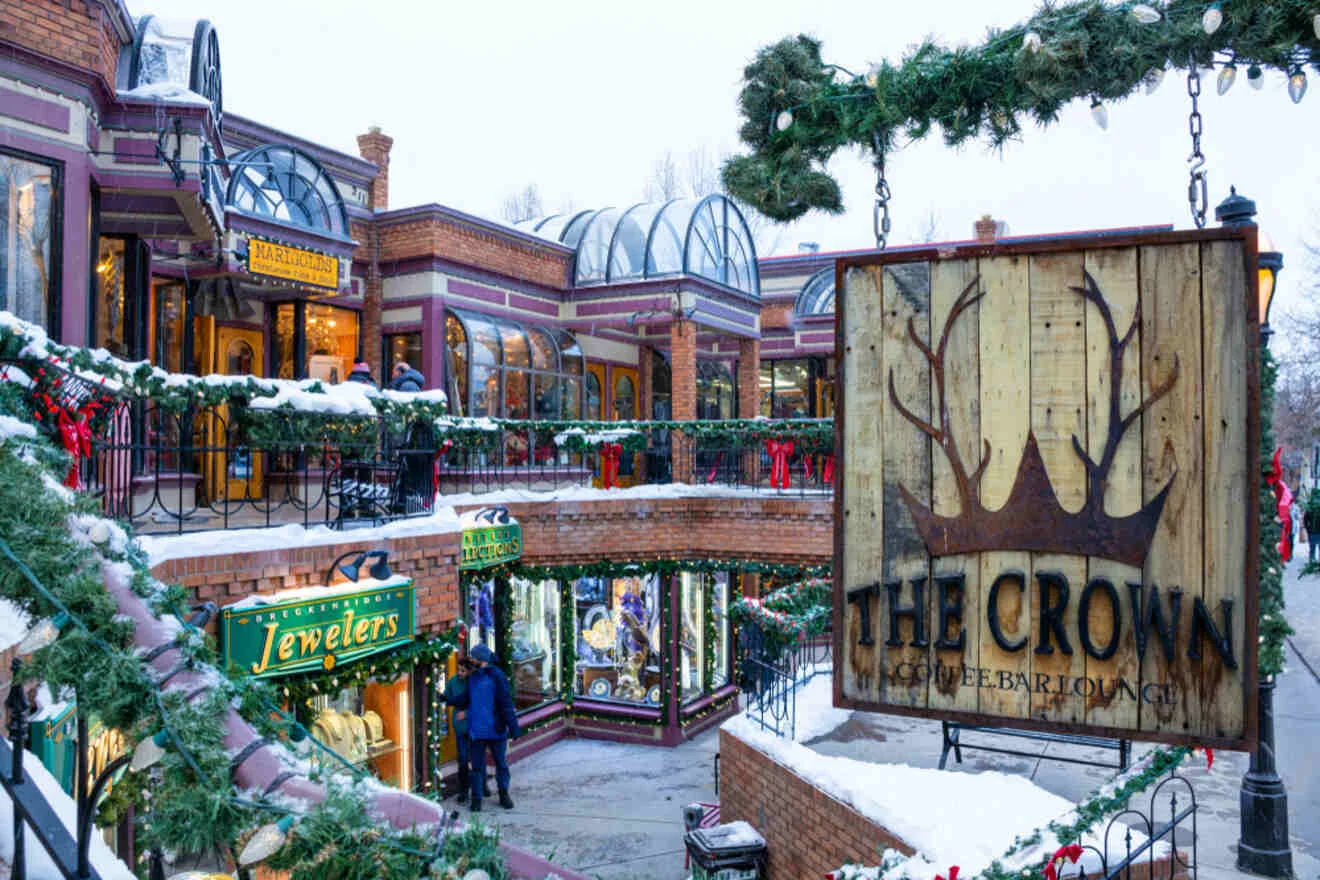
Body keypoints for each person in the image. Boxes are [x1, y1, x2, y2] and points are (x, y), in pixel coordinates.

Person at [465, 643, 520, 811]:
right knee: (476, 767)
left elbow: (505, 703)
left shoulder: (497, 676)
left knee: (500, 764)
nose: (470, 659)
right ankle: (477, 799)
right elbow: (467, 697)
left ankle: (504, 794)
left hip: (495, 730)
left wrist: (513, 727)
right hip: (477, 731)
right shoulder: (472, 676)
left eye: (472, 657)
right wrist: (449, 699)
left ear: (480, 659)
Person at [442, 653, 481, 804]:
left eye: (463, 671)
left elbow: (480, 704)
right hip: (460, 728)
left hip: (474, 727)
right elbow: (446, 697)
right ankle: (463, 790)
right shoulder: (453, 682)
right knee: (463, 760)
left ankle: (480, 787)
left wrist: (467, 712)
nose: (460, 673)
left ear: (470, 671)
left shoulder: (475, 682)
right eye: (458, 670)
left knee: (476, 760)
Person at [1304, 490, 1320, 563]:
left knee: (1312, 548)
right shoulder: (1311, 507)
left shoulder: (1310, 507)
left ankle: (1312, 561)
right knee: (1313, 548)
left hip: (1312, 531)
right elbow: (1305, 519)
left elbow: (1305, 519)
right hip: (1315, 531)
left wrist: (1308, 529)